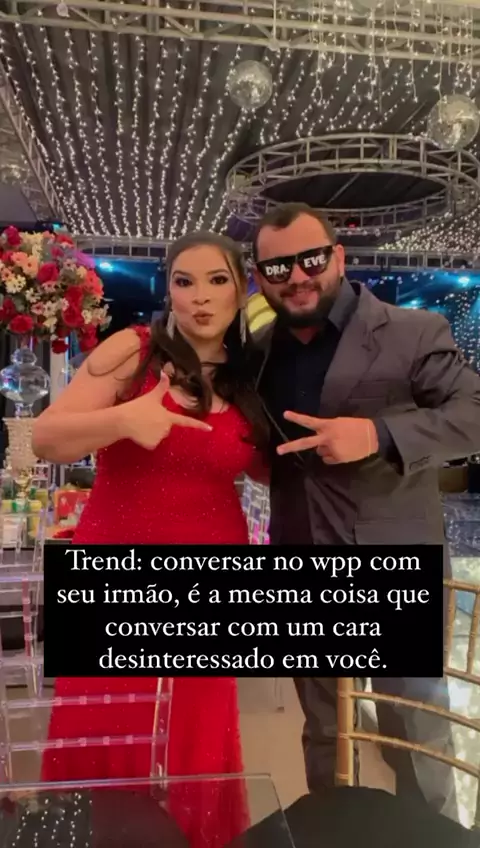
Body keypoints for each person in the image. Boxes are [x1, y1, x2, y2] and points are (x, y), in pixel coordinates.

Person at [32, 231, 269, 848]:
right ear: (169, 289)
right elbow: (46, 438)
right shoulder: (134, 351)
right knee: (106, 723)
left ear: (241, 290)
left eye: (217, 280)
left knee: (195, 736)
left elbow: (266, 468)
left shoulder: (249, 377)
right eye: (184, 281)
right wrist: (123, 420)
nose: (200, 297)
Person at [250, 202, 480, 819]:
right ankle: (336, 829)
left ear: (338, 257)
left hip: (395, 560)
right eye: (278, 267)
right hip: (299, 558)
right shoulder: (260, 351)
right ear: (260, 276)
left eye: (311, 259)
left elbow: (474, 413)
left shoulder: (413, 330)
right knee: (325, 730)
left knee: (415, 730)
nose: (297, 277)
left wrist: (377, 434)